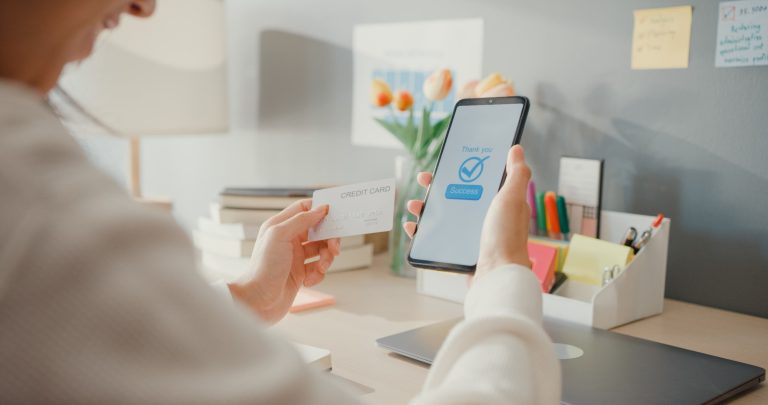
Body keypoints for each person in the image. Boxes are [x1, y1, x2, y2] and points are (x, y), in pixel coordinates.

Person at [0, 0, 561, 403]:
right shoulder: (40, 205)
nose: (144, 6)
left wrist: (249, 296)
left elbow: (121, 340)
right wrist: (502, 277)